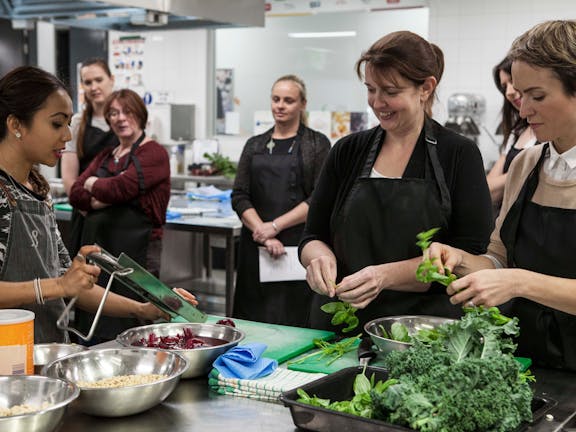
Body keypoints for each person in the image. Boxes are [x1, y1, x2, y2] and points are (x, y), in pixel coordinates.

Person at [299, 31, 493, 331]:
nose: (377, 102)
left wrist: (383, 276)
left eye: (390, 91)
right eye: (370, 89)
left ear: (426, 87)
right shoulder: (348, 151)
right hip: (339, 325)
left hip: (422, 330)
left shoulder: (458, 154)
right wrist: (318, 259)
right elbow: (312, 236)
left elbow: (469, 255)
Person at [0, 65, 196, 343]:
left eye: (68, 123)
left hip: (45, 351)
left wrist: (144, 308)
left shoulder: (39, 193)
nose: (67, 136)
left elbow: (72, 287)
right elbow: (61, 284)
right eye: (57, 123)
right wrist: (58, 285)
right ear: (16, 124)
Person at [427, 20, 576, 371]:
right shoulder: (526, 165)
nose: (523, 111)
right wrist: (459, 260)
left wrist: (518, 282)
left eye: (537, 96)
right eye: (520, 95)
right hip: (527, 362)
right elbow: (499, 258)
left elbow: (512, 276)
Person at [68, 88, 172, 342]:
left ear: (141, 115)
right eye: (113, 113)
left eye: (127, 111)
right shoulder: (107, 155)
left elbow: (120, 188)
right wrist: (103, 194)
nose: (120, 118)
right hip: (101, 255)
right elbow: (76, 193)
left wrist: (97, 188)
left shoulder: (154, 153)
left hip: (137, 254)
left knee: (134, 321)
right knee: (98, 317)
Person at [231, 74, 331, 326]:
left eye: (288, 100)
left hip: (296, 248)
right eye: (276, 99)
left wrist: (275, 227)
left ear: (302, 104)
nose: (280, 105)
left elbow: (318, 198)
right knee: (252, 319)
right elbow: (240, 194)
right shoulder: (255, 144)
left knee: (294, 317)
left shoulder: (317, 144)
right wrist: (263, 231)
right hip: (257, 245)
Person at [61, 58, 117, 257]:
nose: (94, 87)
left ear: (111, 79)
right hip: (85, 214)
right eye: (88, 82)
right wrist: (86, 204)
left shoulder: (126, 120)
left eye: (99, 80)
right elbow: (69, 178)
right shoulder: (77, 123)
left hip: (119, 216)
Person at [486, 56, 537, 218]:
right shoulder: (517, 133)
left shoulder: (551, 133)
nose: (508, 92)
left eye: (513, 82)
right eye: (504, 86)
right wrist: (527, 170)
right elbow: (488, 190)